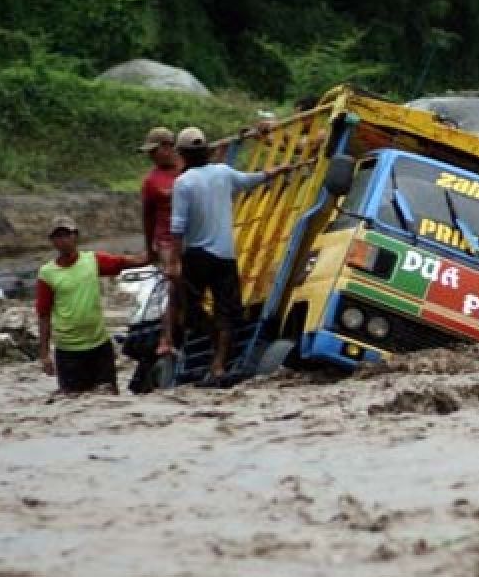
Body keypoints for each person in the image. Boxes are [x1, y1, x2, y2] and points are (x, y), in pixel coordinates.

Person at [167, 126, 300, 385]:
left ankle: (214, 345)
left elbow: (177, 228)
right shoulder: (223, 173)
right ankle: (219, 363)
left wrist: (173, 262)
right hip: (225, 256)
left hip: (196, 255)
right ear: (206, 151)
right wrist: (280, 171)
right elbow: (254, 179)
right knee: (227, 312)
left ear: (182, 154)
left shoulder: (183, 183)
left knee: (190, 313)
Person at [36, 215, 150, 394]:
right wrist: (44, 354)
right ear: (52, 241)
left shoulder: (92, 261)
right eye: (58, 236)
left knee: (109, 397)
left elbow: (132, 262)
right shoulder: (47, 273)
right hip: (68, 351)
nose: (63, 240)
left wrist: (161, 246)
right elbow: (43, 314)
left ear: (76, 236)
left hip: (99, 346)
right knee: (73, 401)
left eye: (67, 235)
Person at [136, 126, 182, 356]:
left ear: (168, 147)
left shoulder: (188, 166)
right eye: (150, 152)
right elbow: (147, 217)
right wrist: (149, 249)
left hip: (193, 233)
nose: (151, 156)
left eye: (155, 151)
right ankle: (166, 338)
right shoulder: (151, 181)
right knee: (175, 279)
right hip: (166, 239)